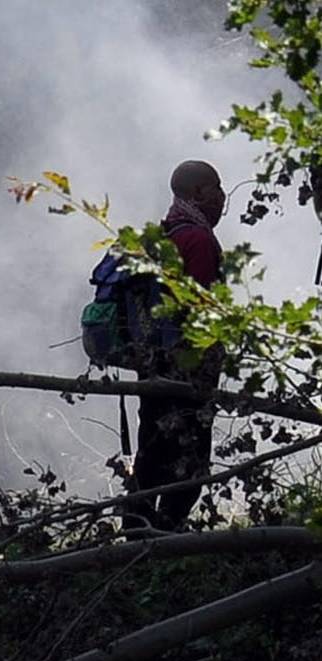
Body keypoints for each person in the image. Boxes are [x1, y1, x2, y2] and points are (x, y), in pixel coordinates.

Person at [123, 160, 228, 532]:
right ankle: (167, 529)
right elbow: (199, 310)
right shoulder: (196, 239)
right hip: (187, 366)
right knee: (192, 456)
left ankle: (137, 526)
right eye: (215, 187)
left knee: (151, 445)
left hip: (153, 362)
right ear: (198, 192)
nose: (221, 196)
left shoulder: (163, 234)